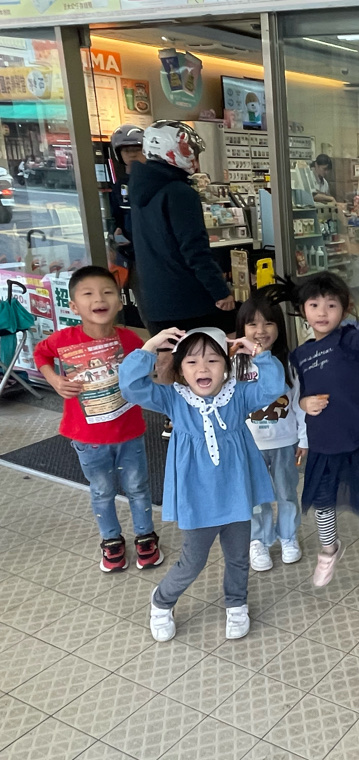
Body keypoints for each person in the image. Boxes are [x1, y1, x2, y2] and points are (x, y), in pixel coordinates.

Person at [119, 327, 285, 642]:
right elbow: (130, 386)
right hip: (197, 498)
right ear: (180, 368)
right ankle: (162, 601)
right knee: (193, 561)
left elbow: (273, 386)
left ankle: (236, 603)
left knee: (238, 557)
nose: (203, 368)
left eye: (212, 360)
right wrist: (150, 346)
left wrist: (259, 354)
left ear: (226, 365)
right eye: (192, 362)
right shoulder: (173, 398)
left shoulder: (238, 395)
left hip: (236, 493)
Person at [33, 266, 162, 573]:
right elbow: (41, 354)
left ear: (119, 301)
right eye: (88, 293)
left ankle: (145, 536)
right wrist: (54, 380)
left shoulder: (131, 340)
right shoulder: (63, 339)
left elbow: (148, 370)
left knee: (138, 487)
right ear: (74, 305)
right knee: (102, 491)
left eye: (107, 292)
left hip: (129, 431)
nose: (99, 299)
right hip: (87, 437)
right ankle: (111, 540)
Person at [291, 272, 359, 586]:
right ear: (303, 310)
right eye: (314, 305)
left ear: (344, 309)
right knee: (322, 505)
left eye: (331, 305)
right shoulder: (299, 355)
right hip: (323, 442)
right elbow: (299, 394)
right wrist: (304, 403)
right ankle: (328, 550)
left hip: (358, 438)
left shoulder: (347, 340)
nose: (322, 312)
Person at [130, 120, 236, 336]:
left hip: (156, 300)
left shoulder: (141, 188)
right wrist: (220, 291)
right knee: (226, 338)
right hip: (190, 300)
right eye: (191, 150)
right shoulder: (179, 193)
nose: (195, 159)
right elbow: (195, 250)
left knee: (169, 352)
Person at [235, 288, 307, 572]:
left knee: (287, 492)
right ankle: (259, 540)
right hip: (248, 444)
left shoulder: (289, 363)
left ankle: (288, 535)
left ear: (280, 327)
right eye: (252, 324)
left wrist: (304, 438)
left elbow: (299, 403)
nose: (260, 331)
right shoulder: (235, 364)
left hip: (284, 441)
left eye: (268, 323)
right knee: (255, 496)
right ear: (242, 328)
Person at [108, 124, 146, 325]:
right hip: (130, 255)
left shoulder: (154, 181)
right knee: (141, 306)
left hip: (153, 255)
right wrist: (115, 233)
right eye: (126, 150)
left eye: (136, 149)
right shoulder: (119, 185)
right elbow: (115, 216)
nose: (132, 154)